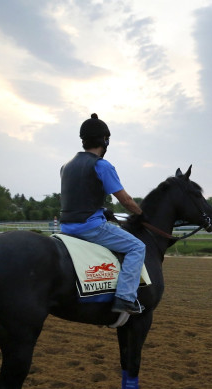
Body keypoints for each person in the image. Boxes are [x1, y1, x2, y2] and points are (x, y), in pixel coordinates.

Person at [60, 113, 146, 314]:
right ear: (105, 140)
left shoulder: (66, 166)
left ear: (84, 141)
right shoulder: (102, 165)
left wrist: (102, 210)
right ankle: (125, 298)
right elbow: (125, 200)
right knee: (137, 247)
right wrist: (141, 214)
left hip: (66, 228)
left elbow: (78, 197)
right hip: (90, 227)